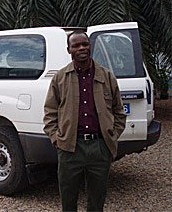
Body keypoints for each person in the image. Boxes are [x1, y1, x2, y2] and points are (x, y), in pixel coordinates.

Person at [43, 30, 126, 212]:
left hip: (100, 147)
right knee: (68, 197)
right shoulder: (60, 78)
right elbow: (50, 113)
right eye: (76, 45)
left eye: (85, 44)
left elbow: (119, 112)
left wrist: (111, 137)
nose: (81, 48)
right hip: (70, 148)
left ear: (90, 46)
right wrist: (57, 139)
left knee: (97, 199)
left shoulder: (107, 76)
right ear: (69, 50)